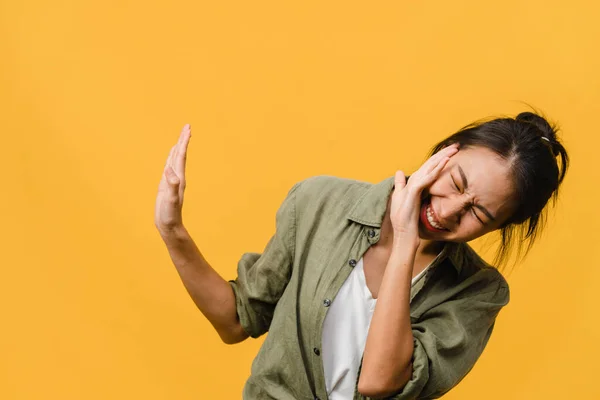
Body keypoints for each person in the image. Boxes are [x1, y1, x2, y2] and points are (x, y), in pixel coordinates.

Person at [154, 111, 569, 400]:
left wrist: (406, 239)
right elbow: (236, 321)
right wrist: (173, 231)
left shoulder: (479, 292)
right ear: (447, 151)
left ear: (500, 227)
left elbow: (378, 381)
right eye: (456, 182)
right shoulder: (319, 202)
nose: (446, 211)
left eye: (478, 213)